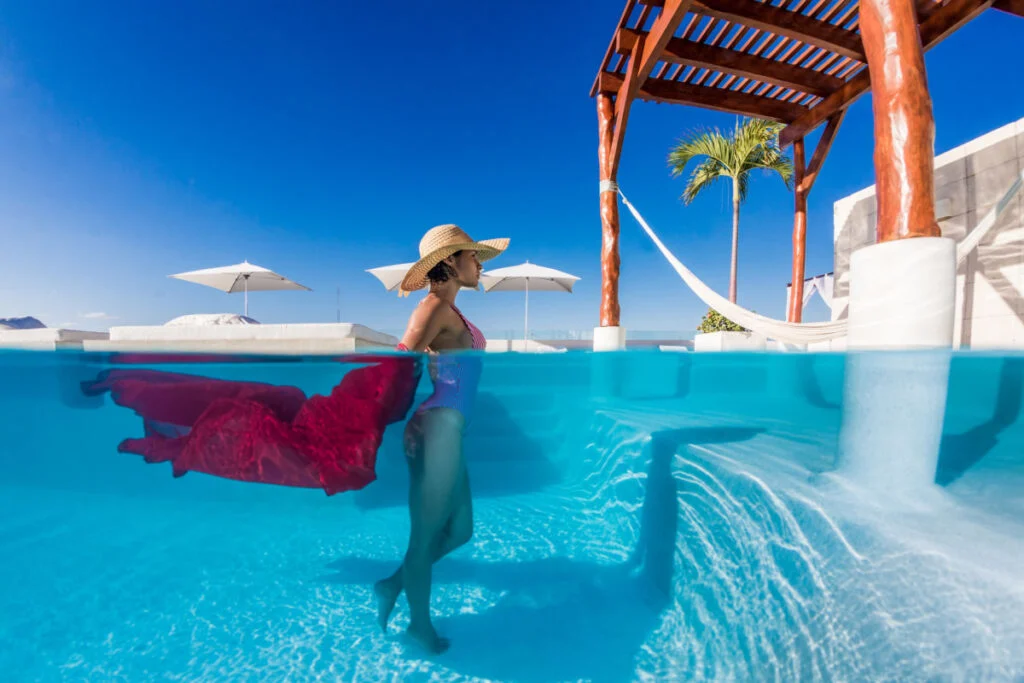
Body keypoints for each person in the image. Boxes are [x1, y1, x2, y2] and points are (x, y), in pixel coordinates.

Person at [374, 223, 509, 654]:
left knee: (461, 530)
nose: (480, 266)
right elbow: (401, 362)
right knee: (426, 537)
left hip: (451, 427)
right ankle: (418, 626)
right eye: (474, 257)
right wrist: (394, 417)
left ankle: (393, 582)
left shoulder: (451, 312)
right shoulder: (432, 306)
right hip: (438, 426)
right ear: (450, 260)